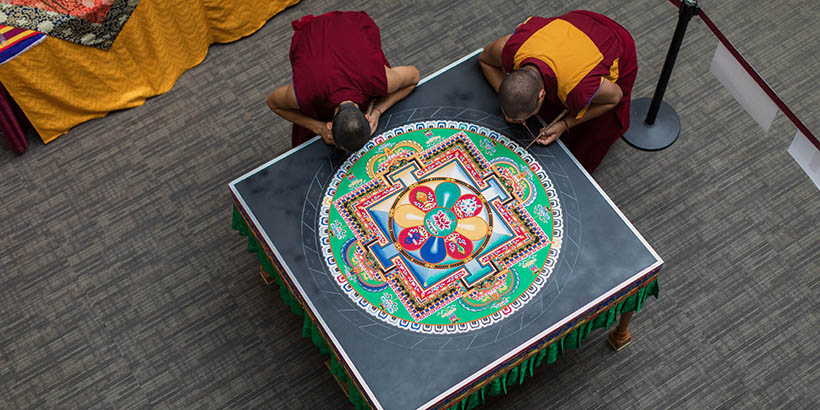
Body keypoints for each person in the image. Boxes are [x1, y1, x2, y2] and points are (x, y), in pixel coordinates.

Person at [479, 11, 637, 172]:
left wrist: (565, 124)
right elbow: (485, 60)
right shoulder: (513, 47)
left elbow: (614, 98)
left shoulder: (579, 88)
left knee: (594, 129)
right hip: (571, 26)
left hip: (615, 43)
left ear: (542, 95)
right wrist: (511, 99)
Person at [267, 11, 419, 151]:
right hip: (312, 34)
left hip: (348, 25)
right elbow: (273, 103)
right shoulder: (307, 91)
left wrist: (378, 111)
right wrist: (319, 128)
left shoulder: (376, 78)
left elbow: (414, 77)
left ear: (367, 117)